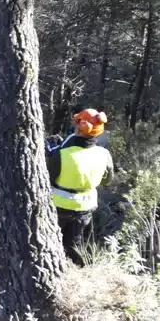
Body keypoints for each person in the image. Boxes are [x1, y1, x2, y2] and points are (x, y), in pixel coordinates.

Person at [48, 109, 112, 264]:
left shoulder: (62, 154)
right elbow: (107, 181)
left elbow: (48, 178)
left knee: (52, 242)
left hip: (58, 206)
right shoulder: (104, 154)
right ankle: (77, 267)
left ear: (79, 127)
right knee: (76, 244)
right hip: (86, 207)